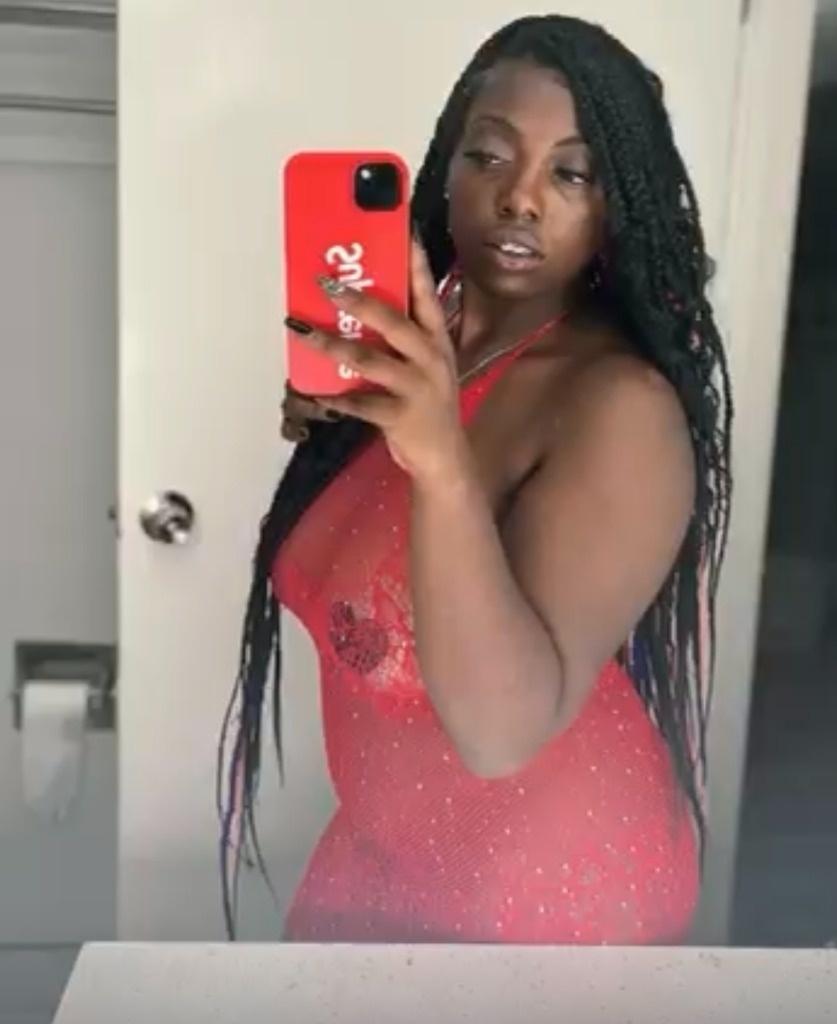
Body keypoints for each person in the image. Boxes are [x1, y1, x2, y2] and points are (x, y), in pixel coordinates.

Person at [218, 13, 732, 945]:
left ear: (617, 206)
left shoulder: (620, 408)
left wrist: (440, 465)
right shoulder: (421, 349)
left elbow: (500, 735)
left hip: (556, 899)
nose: (520, 199)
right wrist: (345, 448)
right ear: (444, 169)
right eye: (489, 156)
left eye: (571, 174)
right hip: (377, 862)